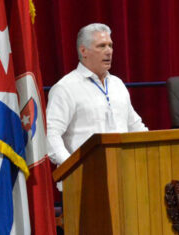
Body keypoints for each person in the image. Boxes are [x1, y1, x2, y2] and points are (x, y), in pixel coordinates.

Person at [46, 23, 148, 168]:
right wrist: (73, 167)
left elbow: (135, 126)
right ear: (83, 51)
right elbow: (50, 135)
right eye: (101, 46)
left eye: (110, 46)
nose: (109, 51)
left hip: (124, 175)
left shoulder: (117, 84)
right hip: (84, 179)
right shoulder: (65, 88)